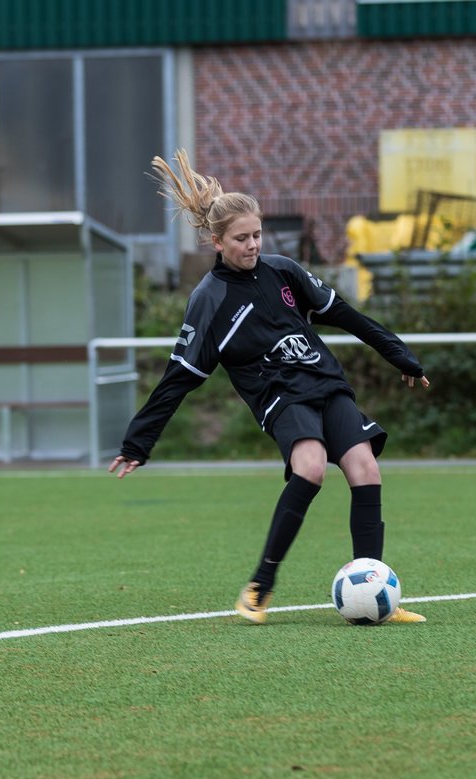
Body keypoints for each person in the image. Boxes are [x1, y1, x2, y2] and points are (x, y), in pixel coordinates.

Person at [109, 150, 431, 624]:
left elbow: (345, 315)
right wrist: (139, 440)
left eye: (257, 235)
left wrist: (400, 355)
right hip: (278, 396)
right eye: (241, 239)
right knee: (312, 467)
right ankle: (259, 587)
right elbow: (178, 378)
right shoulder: (209, 301)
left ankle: (377, 586)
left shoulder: (283, 271)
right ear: (217, 242)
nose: (252, 245)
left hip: (325, 382)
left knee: (365, 468)